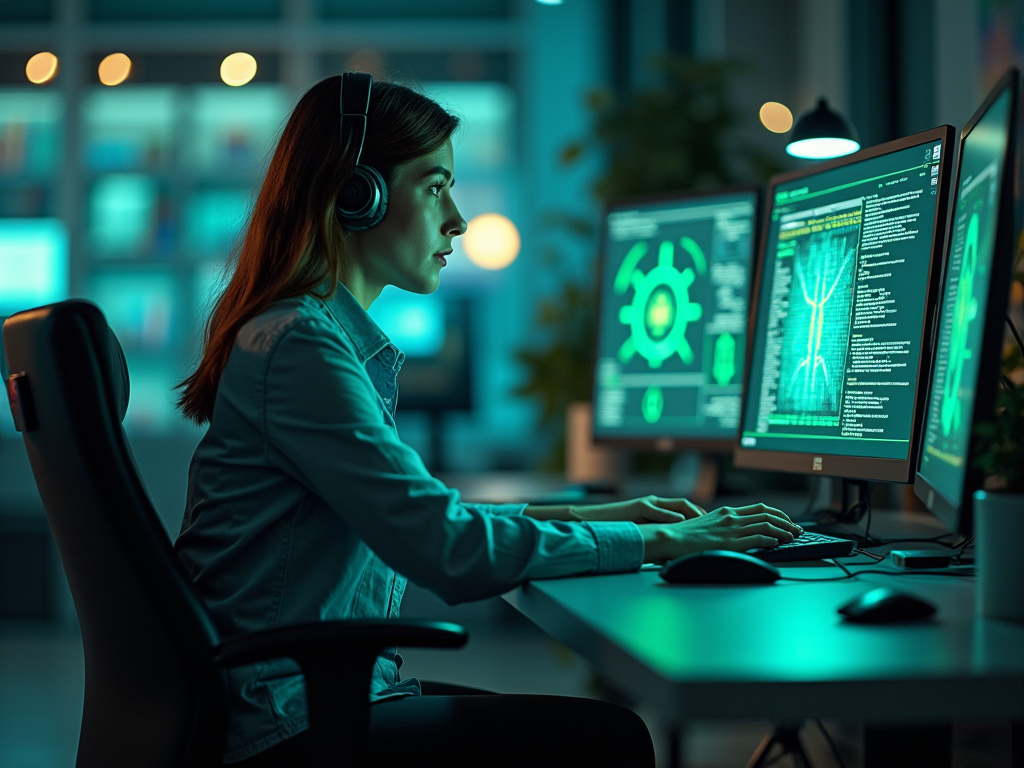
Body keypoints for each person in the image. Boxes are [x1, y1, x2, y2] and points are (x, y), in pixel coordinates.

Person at [174, 73, 801, 768]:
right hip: (287, 723)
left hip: (308, 699)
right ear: (357, 196)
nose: (458, 221)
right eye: (435, 186)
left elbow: (416, 517)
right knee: (609, 742)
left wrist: (610, 516)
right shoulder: (301, 346)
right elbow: (443, 547)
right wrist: (660, 543)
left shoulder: (302, 335)